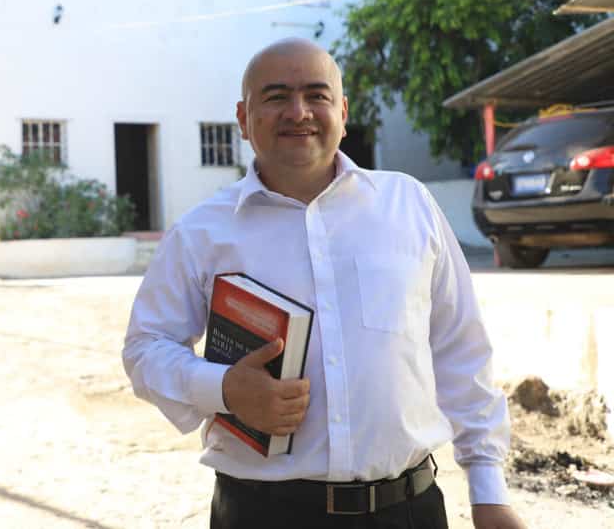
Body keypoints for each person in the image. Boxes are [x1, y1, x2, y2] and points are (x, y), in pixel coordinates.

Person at [122, 38, 526, 528]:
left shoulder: (408, 205)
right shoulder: (201, 232)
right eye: (275, 97)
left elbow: (460, 350)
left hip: (408, 512)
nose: (299, 112)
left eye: (316, 95)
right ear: (244, 118)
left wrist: (489, 489)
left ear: (343, 110)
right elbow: (146, 348)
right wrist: (225, 388)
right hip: (262, 514)